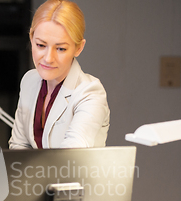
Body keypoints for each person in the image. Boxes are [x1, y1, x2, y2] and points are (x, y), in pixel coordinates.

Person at [9, 0, 110, 149]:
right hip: (30, 172)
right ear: (31, 39)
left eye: (61, 49)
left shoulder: (90, 92)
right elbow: (18, 145)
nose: (48, 58)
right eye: (41, 45)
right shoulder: (29, 81)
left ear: (78, 48)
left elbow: (71, 156)